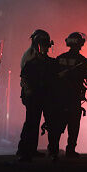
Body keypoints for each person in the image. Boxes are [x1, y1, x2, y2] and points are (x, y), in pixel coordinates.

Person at [17, 33, 63, 162]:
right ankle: (29, 151)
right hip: (37, 97)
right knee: (34, 124)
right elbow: (24, 79)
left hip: (45, 97)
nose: (45, 48)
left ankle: (46, 151)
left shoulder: (45, 62)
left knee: (47, 124)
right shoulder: (33, 62)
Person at [55, 32, 87, 158]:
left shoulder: (59, 58)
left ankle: (53, 149)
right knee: (74, 125)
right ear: (80, 44)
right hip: (74, 98)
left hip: (59, 97)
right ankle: (70, 150)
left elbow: (52, 77)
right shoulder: (83, 61)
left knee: (57, 124)